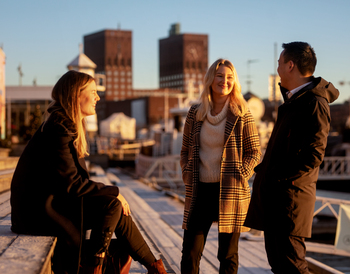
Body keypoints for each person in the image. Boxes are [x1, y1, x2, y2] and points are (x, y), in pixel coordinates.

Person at [10, 70, 167, 274]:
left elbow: (72, 183)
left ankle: (154, 268)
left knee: (114, 205)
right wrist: (114, 191)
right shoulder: (59, 128)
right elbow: (72, 184)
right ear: (76, 95)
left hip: (53, 203)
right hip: (36, 212)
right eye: (93, 92)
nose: (97, 97)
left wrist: (113, 193)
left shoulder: (66, 124)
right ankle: (98, 267)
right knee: (112, 203)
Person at [244, 42, 340, 274]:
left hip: (290, 202)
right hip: (278, 200)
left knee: (292, 267)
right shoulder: (294, 101)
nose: (277, 69)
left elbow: (313, 155)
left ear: (290, 65)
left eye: (279, 63)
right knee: (280, 265)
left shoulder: (314, 103)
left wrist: (276, 176)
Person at [180, 59, 261, 274]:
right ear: (210, 79)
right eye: (219, 76)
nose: (224, 81)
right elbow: (185, 150)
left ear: (234, 82)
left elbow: (255, 153)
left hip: (231, 191)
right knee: (190, 252)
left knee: (227, 255)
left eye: (229, 77)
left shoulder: (242, 112)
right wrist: (187, 173)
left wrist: (241, 174)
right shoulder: (195, 113)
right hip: (200, 190)